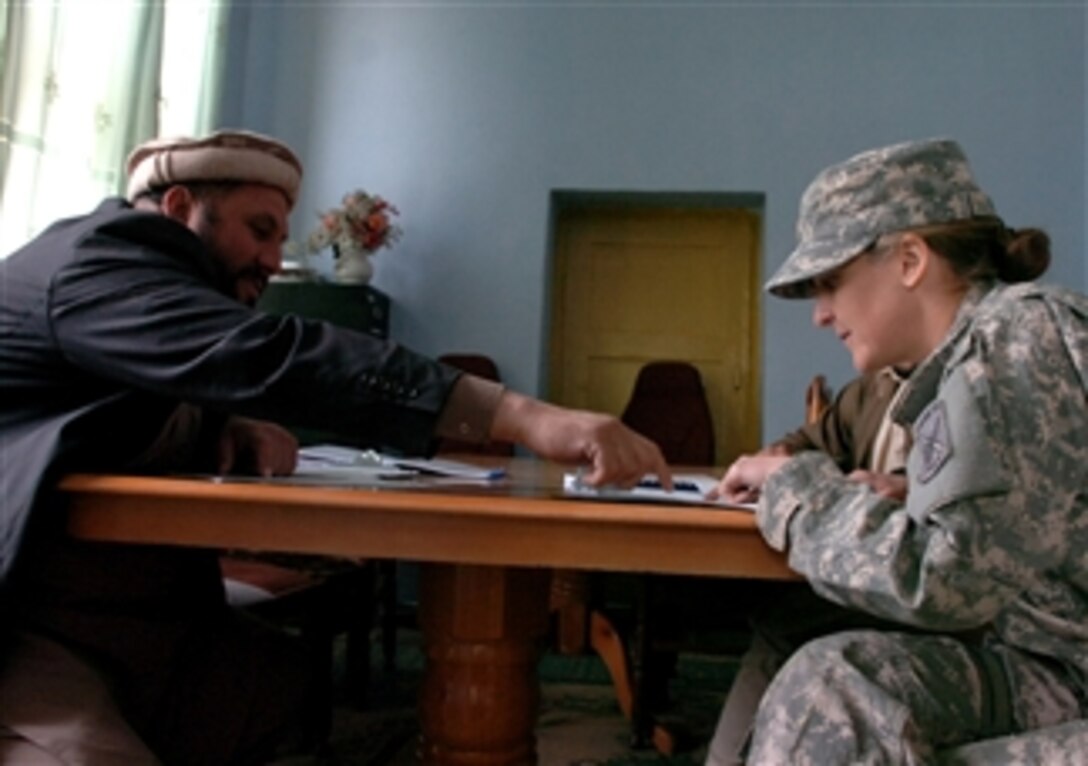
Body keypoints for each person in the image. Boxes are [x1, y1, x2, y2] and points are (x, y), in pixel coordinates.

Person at [0, 129, 670, 765]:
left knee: (277, 685)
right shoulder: (105, 253)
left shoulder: (143, 290)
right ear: (178, 208)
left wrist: (222, 429)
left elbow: (99, 405)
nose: (272, 259)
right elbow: (273, 355)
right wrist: (520, 415)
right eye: (258, 230)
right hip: (33, 619)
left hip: (139, 611)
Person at [710, 138, 1086, 763]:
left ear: (911, 259)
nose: (821, 316)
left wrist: (795, 489)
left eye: (831, 283)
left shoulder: (1017, 338)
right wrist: (916, 498)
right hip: (1056, 674)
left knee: (832, 699)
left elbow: (942, 583)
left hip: (1066, 680)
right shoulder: (973, 357)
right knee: (833, 682)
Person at [706, 367, 912, 765]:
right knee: (785, 616)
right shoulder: (876, 386)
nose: (822, 316)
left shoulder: (965, 380)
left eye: (833, 299)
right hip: (874, 577)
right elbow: (805, 443)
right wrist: (771, 464)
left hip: (932, 595)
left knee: (790, 625)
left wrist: (905, 488)